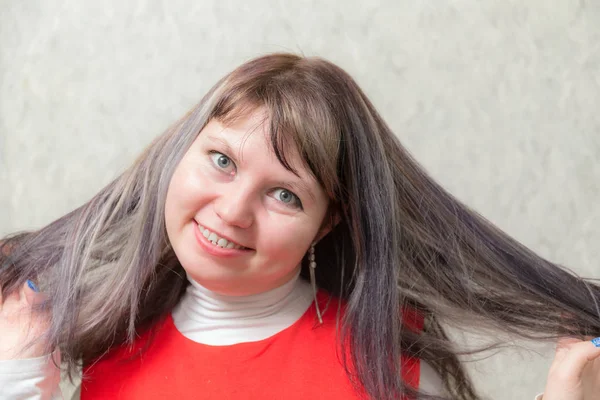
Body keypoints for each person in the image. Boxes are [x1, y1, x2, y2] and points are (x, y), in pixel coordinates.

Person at [0, 53, 599, 400]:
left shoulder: (387, 357)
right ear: (177, 154)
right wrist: (19, 373)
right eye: (222, 161)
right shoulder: (107, 346)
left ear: (325, 223)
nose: (233, 210)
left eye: (285, 194)